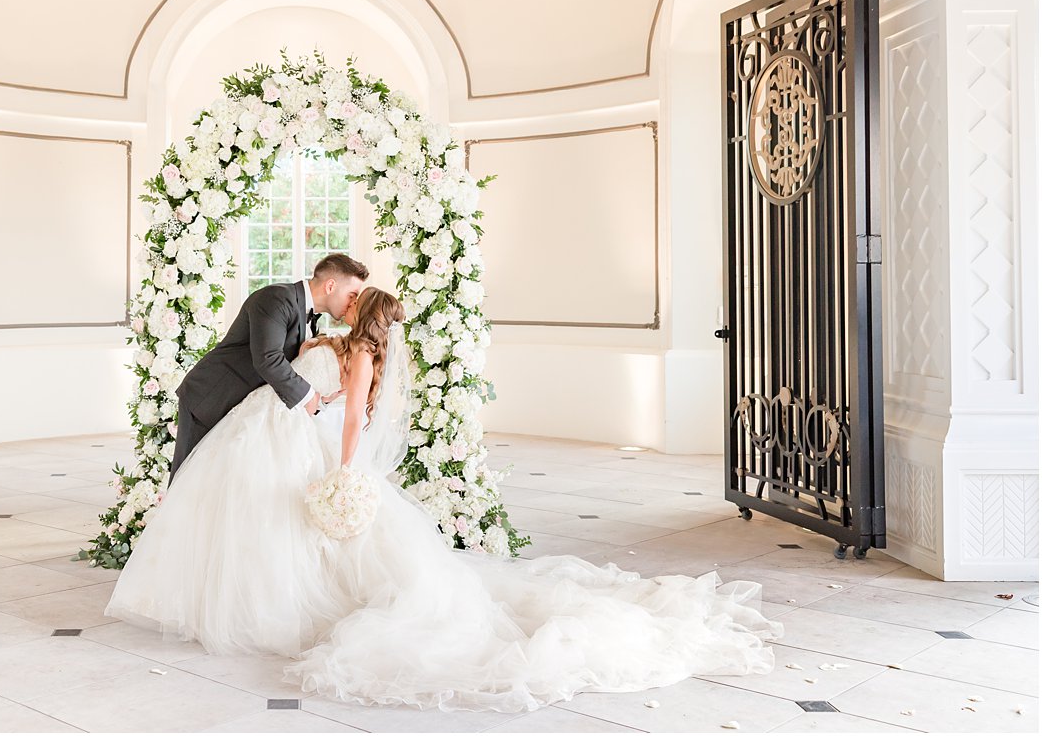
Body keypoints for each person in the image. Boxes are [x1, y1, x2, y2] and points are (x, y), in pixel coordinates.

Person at [107, 286, 785, 713]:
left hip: (298, 446)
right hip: (301, 447)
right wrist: (346, 468)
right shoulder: (349, 350)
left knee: (331, 550)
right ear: (385, 326)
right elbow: (347, 419)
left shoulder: (331, 343)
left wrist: (346, 473)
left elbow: (334, 405)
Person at [167, 253, 367, 478]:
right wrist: (309, 396)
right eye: (352, 294)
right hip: (213, 398)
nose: (353, 303)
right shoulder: (277, 298)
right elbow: (268, 358)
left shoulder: (310, 318)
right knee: (189, 482)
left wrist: (321, 399)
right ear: (331, 286)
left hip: (243, 411)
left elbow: (295, 370)